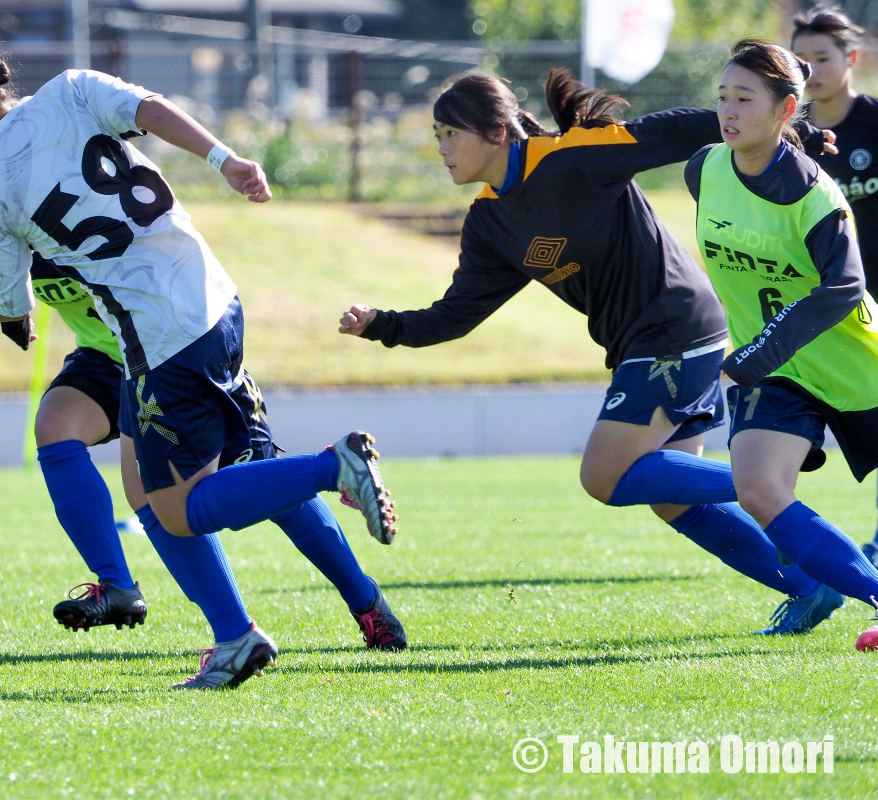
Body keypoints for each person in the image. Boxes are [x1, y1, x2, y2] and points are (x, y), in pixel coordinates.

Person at [0, 53, 397, 689]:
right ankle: (229, 635)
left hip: (159, 338)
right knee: (145, 486)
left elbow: (9, 302)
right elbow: (154, 109)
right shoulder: (72, 90)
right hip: (211, 300)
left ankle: (336, 474)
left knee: (184, 508)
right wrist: (228, 161)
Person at [339, 67, 843, 635]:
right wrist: (384, 324)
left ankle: (763, 479)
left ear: (498, 130)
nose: (441, 149)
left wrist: (774, 130)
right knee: (673, 500)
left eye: (450, 134)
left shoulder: (570, 157)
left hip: (674, 323)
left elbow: (666, 133)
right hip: (644, 340)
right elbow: (456, 315)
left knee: (603, 476)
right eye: (437, 135)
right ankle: (809, 581)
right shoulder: (489, 221)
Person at [0, 245, 407, 651]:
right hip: (113, 355)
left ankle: (362, 598)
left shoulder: (63, 197)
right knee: (73, 440)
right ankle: (134, 591)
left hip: (175, 341)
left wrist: (225, 167)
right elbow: (16, 300)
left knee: (268, 488)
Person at [686, 38, 878, 653]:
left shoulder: (814, 195)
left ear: (785, 108)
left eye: (745, 98)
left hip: (856, 368)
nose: (728, 110)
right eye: (722, 97)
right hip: (778, 375)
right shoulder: (704, 170)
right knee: (760, 491)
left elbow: (845, 288)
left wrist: (758, 352)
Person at [790, 7, 878, 566]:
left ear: (851, 59)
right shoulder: (788, 136)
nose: (811, 71)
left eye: (822, 58)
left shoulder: (875, 124)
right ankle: (809, 553)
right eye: (801, 61)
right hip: (821, 309)